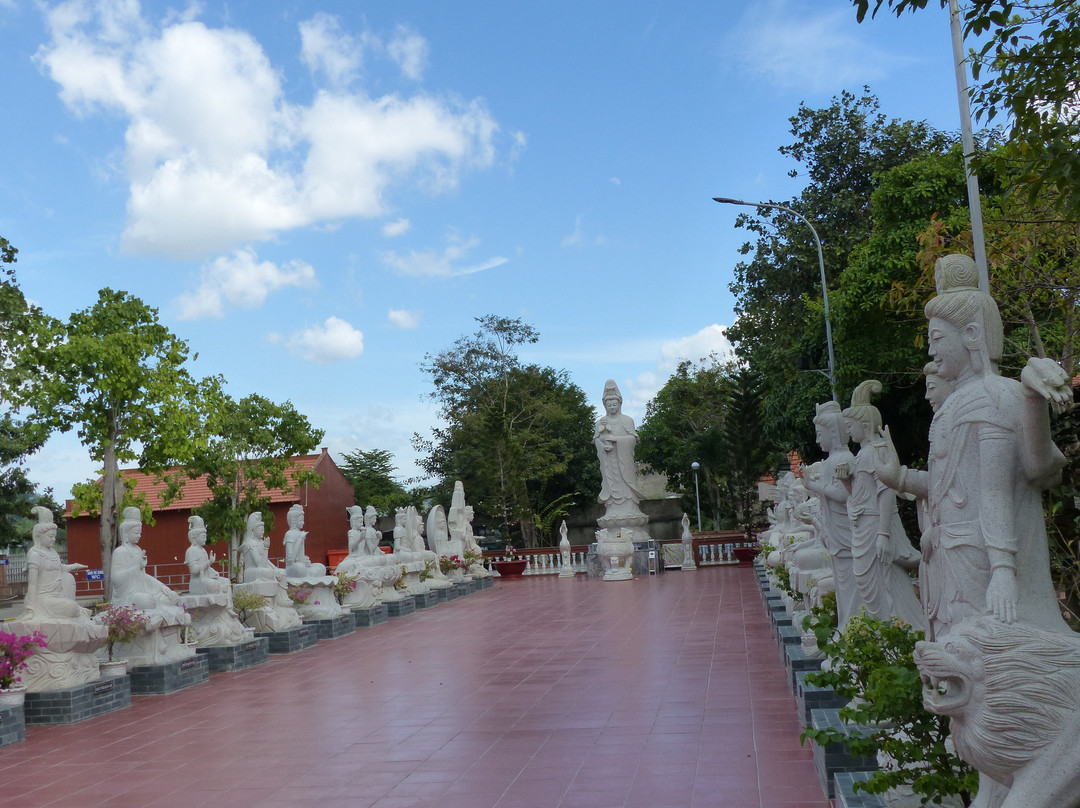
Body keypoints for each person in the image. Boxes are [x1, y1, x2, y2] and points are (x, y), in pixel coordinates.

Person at [872, 254, 1071, 640]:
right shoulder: (956, 405)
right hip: (952, 556)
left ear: (973, 335)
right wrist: (899, 477)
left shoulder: (993, 397)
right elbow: (953, 486)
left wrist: (1002, 571)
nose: (931, 351)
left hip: (985, 561)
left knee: (986, 664)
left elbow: (1000, 487)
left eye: (938, 339)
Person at [837, 381, 925, 629]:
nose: (849, 432)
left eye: (850, 426)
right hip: (862, 526)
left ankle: (902, 632)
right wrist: (846, 482)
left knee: (886, 582)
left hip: (876, 525)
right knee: (867, 582)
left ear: (864, 425)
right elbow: (858, 495)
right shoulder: (860, 454)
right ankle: (881, 634)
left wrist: (884, 534)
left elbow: (886, 493)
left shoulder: (878, 449)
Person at [802, 400, 860, 629]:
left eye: (820, 434)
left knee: (851, 582)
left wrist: (813, 486)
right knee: (842, 582)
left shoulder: (843, 460)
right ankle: (847, 624)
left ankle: (854, 625)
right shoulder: (830, 462)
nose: (817, 440)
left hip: (846, 530)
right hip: (836, 531)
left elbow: (845, 495)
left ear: (834, 432)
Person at [111, 507, 188, 625]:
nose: (139, 535)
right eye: (136, 533)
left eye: (140, 532)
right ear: (126, 532)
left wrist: (163, 587)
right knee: (149, 601)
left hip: (142, 589)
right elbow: (116, 579)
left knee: (169, 598)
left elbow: (144, 577)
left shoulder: (138, 550)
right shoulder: (120, 552)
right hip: (128, 596)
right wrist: (137, 568)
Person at [594, 380, 647, 521]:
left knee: (626, 483)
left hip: (623, 460)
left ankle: (630, 509)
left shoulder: (627, 420)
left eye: (614, 404)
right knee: (611, 482)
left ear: (620, 404)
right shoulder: (600, 423)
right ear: (604, 405)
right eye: (609, 405)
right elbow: (597, 440)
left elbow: (632, 439)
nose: (612, 407)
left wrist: (615, 439)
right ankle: (612, 510)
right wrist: (602, 446)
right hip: (609, 462)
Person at [24, 506, 89, 621]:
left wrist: (76, 566)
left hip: (57, 595)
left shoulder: (53, 552)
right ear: (40, 536)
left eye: (54, 536)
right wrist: (31, 609)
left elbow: (60, 568)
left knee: (68, 578)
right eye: (50, 536)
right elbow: (32, 584)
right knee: (72, 607)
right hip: (43, 598)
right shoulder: (34, 554)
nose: (53, 539)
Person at [185, 515, 230, 596]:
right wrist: (208, 562)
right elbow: (194, 570)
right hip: (198, 581)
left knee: (226, 581)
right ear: (194, 538)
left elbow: (207, 568)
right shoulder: (190, 551)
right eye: (203, 537)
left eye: (205, 536)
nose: (205, 539)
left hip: (207, 578)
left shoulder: (203, 550)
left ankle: (228, 606)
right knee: (213, 584)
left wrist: (213, 572)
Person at [240, 512, 286, 584]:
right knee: (265, 572)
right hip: (251, 571)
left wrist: (275, 568)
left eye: (263, 530)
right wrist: (266, 548)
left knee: (281, 572)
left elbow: (266, 561)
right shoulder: (250, 543)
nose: (263, 532)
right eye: (261, 530)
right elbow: (259, 564)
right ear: (253, 530)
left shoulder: (261, 542)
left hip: (261, 569)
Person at [283, 504, 326, 578]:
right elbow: (290, 559)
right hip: (293, 567)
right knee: (300, 568)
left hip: (302, 566)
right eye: (301, 520)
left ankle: (308, 574)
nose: (303, 522)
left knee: (321, 567)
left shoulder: (300, 533)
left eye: (303, 520)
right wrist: (300, 539)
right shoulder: (289, 534)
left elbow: (300, 556)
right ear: (293, 521)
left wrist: (304, 559)